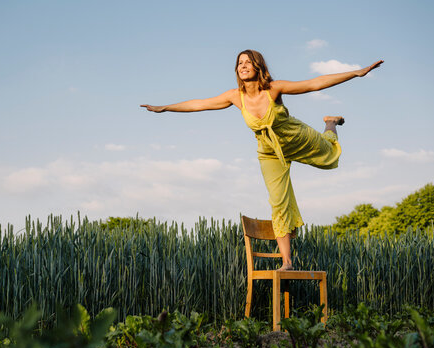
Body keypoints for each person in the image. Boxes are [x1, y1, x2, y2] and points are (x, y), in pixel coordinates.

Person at [141, 50, 383, 270]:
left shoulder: (273, 89)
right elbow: (199, 104)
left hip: (296, 138)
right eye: (239, 63)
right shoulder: (235, 97)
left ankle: (330, 123)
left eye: (248, 62)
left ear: (258, 67)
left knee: (330, 158)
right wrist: (165, 108)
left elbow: (312, 84)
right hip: (269, 152)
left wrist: (356, 73)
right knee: (278, 202)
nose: (243, 66)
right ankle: (287, 262)